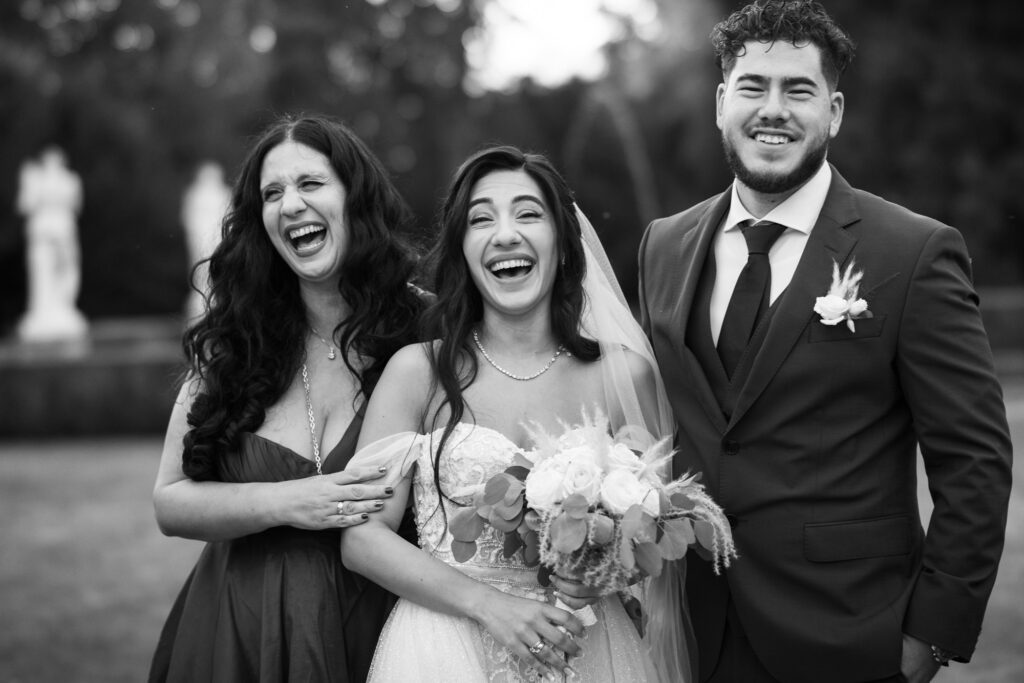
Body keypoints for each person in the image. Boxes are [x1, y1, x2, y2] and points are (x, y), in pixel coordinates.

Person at [638, 2, 1013, 682]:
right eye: (753, 87)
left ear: (834, 113)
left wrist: (929, 637)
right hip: (693, 631)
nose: (772, 109)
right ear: (723, 102)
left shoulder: (912, 252)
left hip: (850, 635)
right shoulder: (664, 245)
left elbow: (974, 460)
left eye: (798, 90)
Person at [340, 146, 695, 682]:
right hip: (444, 649)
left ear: (564, 244)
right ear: (463, 250)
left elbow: (653, 540)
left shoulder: (627, 376)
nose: (505, 234)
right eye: (481, 219)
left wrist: (606, 573)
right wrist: (489, 605)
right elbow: (362, 539)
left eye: (528, 214)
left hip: (588, 647)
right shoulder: (418, 371)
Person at [149, 114, 425, 683]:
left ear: (355, 196)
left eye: (311, 183)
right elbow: (170, 502)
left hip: (380, 630)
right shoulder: (234, 338)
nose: (290, 204)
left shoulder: (426, 328)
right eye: (272, 194)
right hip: (236, 631)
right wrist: (289, 502)